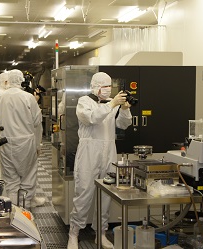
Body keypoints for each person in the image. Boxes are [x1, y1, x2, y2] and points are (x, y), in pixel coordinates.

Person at [67, 72, 133, 249]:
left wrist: (125, 109)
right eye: (104, 86)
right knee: (84, 193)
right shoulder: (84, 102)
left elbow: (123, 124)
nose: (108, 90)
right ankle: (73, 234)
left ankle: (101, 234)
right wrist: (112, 104)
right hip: (89, 151)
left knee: (106, 195)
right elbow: (92, 118)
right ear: (95, 86)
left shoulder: (112, 104)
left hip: (109, 151)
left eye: (110, 86)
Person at [0, 69, 45, 209]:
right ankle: (25, 213)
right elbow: (37, 121)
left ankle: (13, 213)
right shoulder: (27, 97)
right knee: (28, 178)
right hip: (25, 143)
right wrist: (38, 145)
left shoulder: (1, 97)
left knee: (11, 181)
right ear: (21, 80)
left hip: (6, 142)